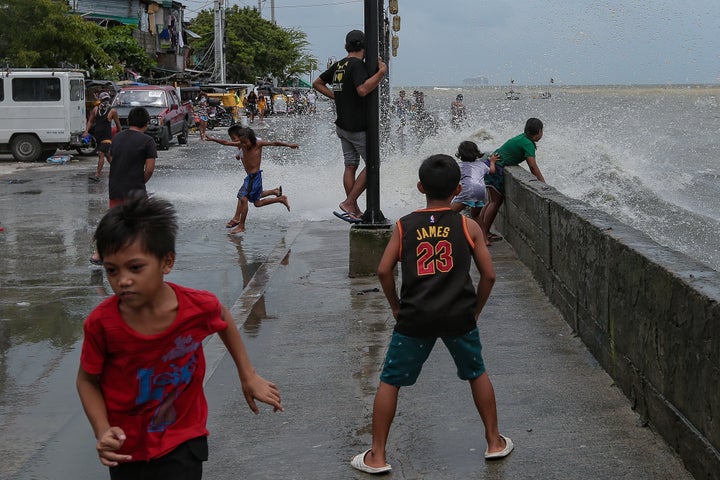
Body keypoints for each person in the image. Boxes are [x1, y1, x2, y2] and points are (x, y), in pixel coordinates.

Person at [77, 193, 283, 479]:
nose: (122, 280)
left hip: (183, 440)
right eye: (112, 270)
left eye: (135, 268)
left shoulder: (194, 307)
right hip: (125, 447)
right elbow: (87, 380)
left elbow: (221, 315)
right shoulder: (101, 324)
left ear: (167, 262)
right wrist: (102, 430)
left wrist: (247, 375)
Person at [351, 154, 512, 474]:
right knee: (476, 373)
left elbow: (384, 271)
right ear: (458, 188)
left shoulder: (404, 225)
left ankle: (378, 456)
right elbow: (489, 276)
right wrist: (475, 311)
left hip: (415, 317)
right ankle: (494, 442)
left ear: (420, 186)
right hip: (458, 315)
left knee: (390, 381)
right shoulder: (468, 226)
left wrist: (396, 307)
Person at [312, 29, 388, 221]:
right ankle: (349, 202)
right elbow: (362, 90)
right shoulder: (356, 65)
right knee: (373, 164)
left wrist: (335, 97)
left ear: (347, 45)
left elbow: (317, 83)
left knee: (350, 166)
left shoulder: (339, 65)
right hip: (357, 127)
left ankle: (353, 209)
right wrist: (381, 73)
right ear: (364, 46)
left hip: (342, 126)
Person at [89, 106, 156, 266]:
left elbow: (111, 157)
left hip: (116, 187)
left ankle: (98, 254)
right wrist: (140, 181)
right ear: (146, 123)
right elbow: (149, 169)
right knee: (141, 222)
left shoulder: (117, 137)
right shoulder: (148, 141)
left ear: (129, 121)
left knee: (114, 221)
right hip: (136, 189)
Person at [205, 126, 294, 234]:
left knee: (243, 198)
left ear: (251, 139)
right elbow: (225, 142)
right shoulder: (242, 144)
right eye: (241, 142)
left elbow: (275, 143)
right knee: (257, 203)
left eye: (245, 142)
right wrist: (212, 139)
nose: (243, 145)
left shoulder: (258, 143)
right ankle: (280, 199)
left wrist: (289, 145)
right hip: (251, 178)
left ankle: (241, 225)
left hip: (254, 177)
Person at [479, 117, 545, 242]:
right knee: (495, 202)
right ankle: (484, 234)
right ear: (539, 132)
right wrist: (542, 182)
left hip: (490, 165)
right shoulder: (528, 143)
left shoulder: (521, 138)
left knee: (491, 201)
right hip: (496, 169)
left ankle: (482, 231)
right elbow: (532, 165)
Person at [451, 141, 497, 245]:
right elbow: (492, 171)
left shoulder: (459, 166)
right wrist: (492, 161)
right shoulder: (481, 165)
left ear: (460, 154)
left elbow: (453, 177)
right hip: (481, 192)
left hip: (468, 191)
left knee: (448, 213)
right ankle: (485, 240)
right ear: (476, 152)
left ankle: (452, 236)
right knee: (476, 215)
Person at [84, 91, 120, 182]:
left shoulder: (112, 111)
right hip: (99, 138)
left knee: (101, 154)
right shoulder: (96, 109)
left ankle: (97, 175)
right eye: (104, 99)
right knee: (108, 156)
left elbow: (118, 126)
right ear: (100, 100)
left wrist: (121, 137)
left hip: (107, 137)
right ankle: (120, 172)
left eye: (107, 99)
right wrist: (86, 131)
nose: (106, 101)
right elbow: (91, 121)